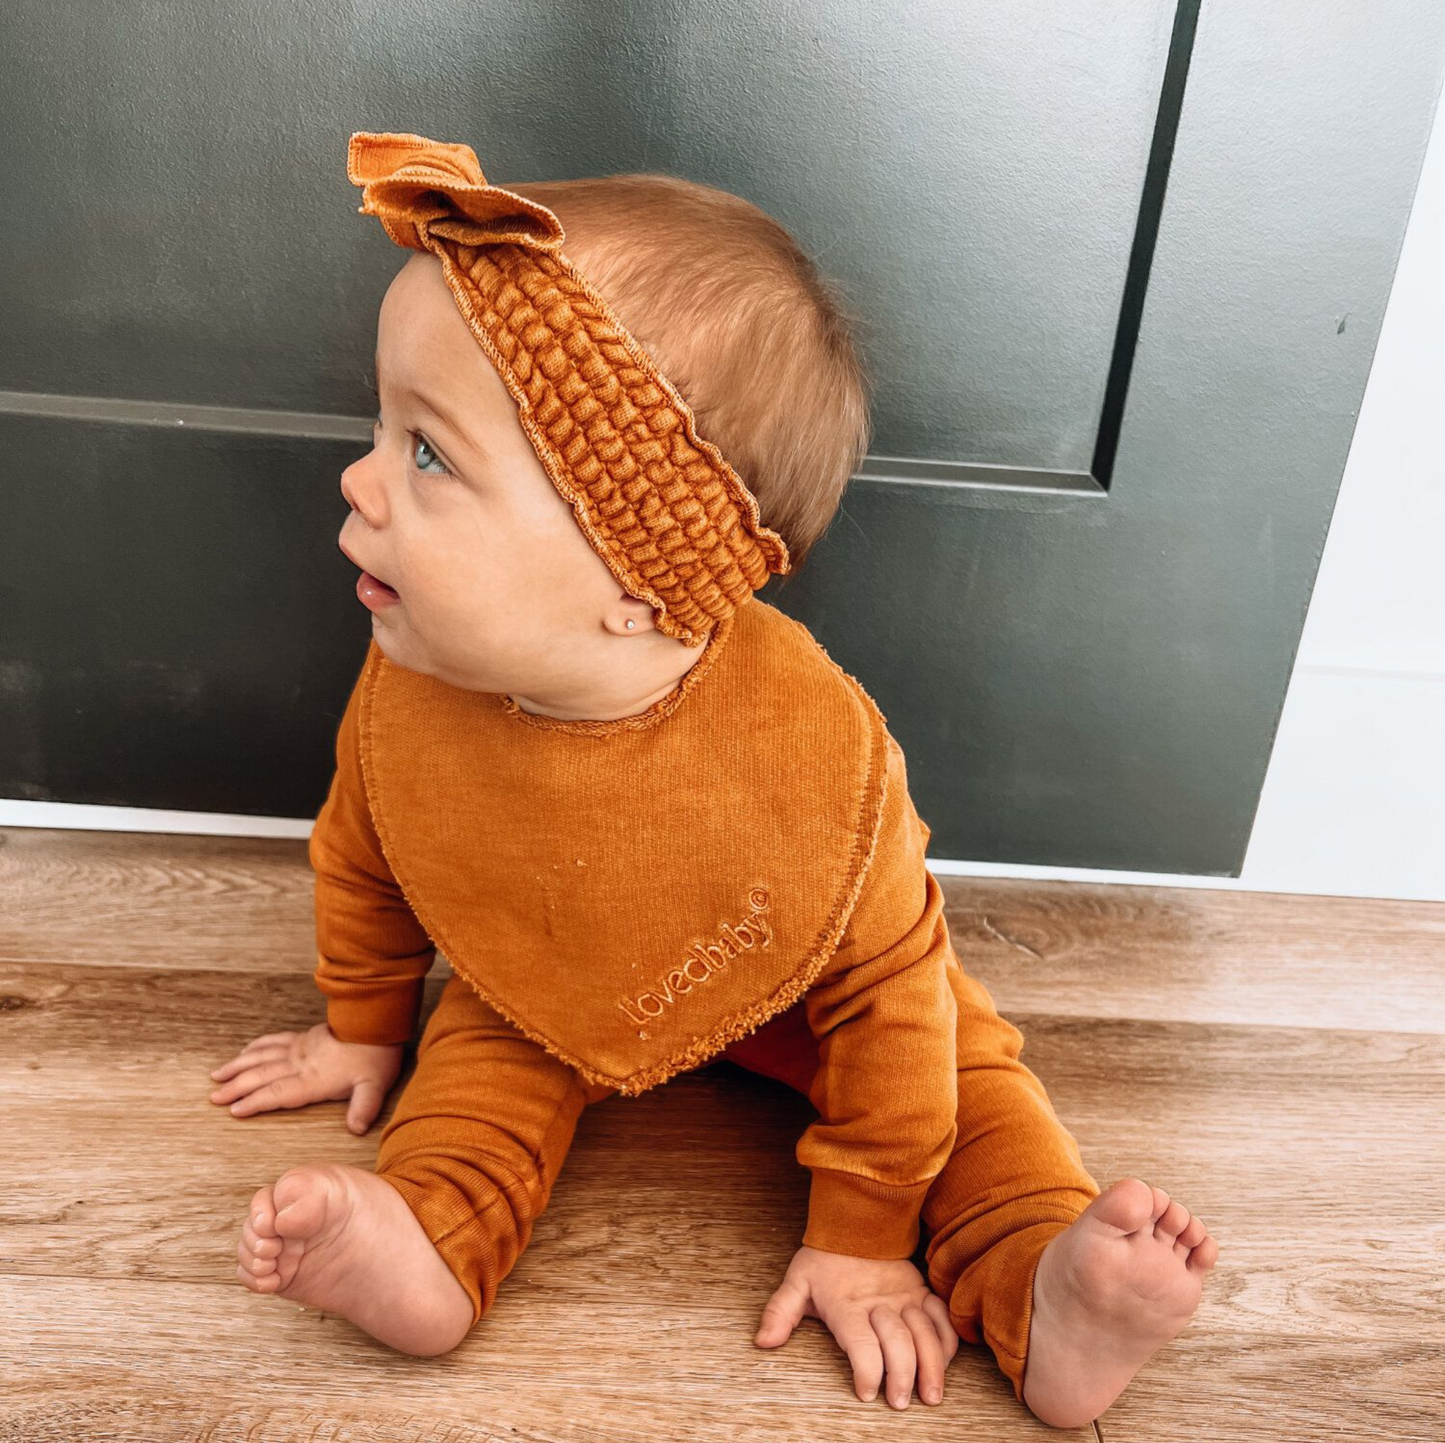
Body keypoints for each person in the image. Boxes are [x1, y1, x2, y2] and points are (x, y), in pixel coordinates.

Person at [208, 132, 1217, 1428]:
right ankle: (424, 1244)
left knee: (968, 1079)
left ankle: (1046, 1281)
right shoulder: (410, 672)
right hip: (547, 965)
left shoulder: (816, 763)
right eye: (383, 423)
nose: (356, 475)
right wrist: (363, 1022)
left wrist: (862, 1234)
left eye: (429, 455)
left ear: (638, 590)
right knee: (483, 1061)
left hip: (813, 983)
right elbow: (366, 846)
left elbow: (892, 1003)